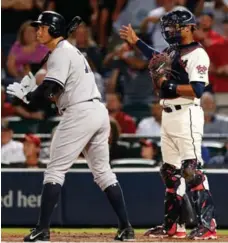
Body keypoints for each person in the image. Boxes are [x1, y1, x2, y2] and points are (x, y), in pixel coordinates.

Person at [7, 11, 134, 242]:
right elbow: (54, 92)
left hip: (79, 113)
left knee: (54, 170)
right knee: (103, 173)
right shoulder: (66, 51)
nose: (38, 31)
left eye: (42, 27)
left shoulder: (60, 54)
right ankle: (126, 228)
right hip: (97, 111)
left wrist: (26, 96)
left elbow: (50, 91)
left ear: (54, 29)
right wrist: (31, 92)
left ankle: (42, 230)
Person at [120, 9, 217, 240]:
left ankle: (208, 225)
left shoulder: (197, 54)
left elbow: (198, 89)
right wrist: (137, 42)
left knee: (191, 170)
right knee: (170, 172)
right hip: (169, 114)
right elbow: (156, 58)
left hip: (187, 113)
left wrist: (169, 85)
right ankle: (173, 226)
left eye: (176, 26)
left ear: (189, 28)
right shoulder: (173, 50)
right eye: (170, 26)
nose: (171, 30)